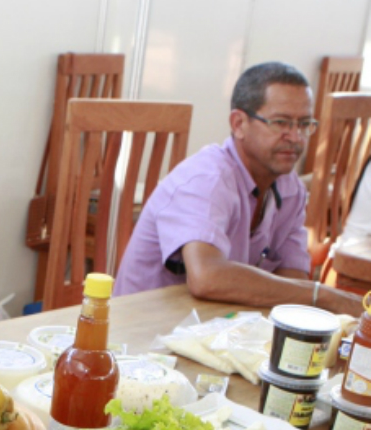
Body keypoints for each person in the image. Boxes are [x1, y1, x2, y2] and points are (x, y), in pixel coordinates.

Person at [115, 61, 365, 315]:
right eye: (281, 122)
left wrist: (309, 295)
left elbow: (293, 276)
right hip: (144, 332)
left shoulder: (289, 187)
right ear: (238, 124)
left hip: (215, 329)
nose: (295, 137)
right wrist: (321, 296)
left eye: (303, 124)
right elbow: (206, 278)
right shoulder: (207, 179)